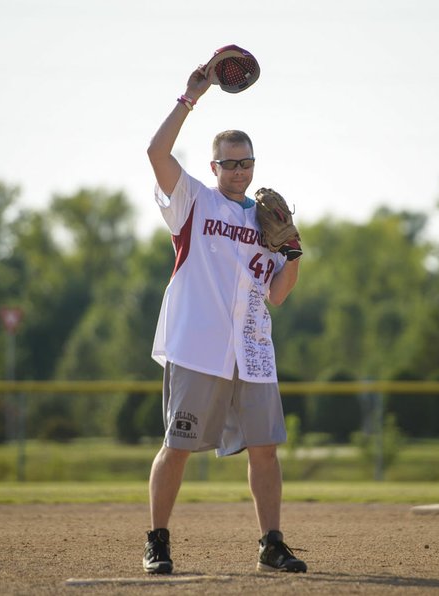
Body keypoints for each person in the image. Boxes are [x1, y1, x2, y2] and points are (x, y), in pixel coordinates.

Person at [143, 62, 307, 575]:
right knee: (178, 446)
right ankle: (158, 541)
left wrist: (296, 253)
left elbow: (278, 294)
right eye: (230, 163)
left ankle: (271, 544)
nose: (239, 171)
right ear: (213, 167)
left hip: (253, 350)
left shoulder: (264, 223)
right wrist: (191, 97)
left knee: (266, 451)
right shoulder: (195, 201)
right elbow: (156, 153)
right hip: (199, 347)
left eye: (246, 162)